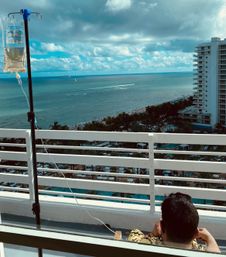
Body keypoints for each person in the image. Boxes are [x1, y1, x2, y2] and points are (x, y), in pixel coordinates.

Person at [128, 192, 221, 253]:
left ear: (162, 227)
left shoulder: (148, 245)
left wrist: (152, 234)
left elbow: (134, 236)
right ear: (196, 233)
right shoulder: (201, 251)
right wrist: (209, 239)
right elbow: (216, 253)